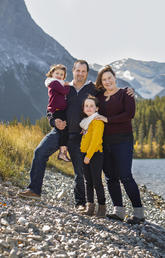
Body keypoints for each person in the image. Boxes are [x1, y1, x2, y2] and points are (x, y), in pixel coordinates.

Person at [19, 60, 134, 212]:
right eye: (77, 71)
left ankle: (80, 202)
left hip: (81, 136)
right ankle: (34, 190)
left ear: (87, 73)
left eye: (83, 71)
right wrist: (54, 120)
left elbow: (110, 91)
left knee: (80, 172)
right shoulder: (63, 87)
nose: (80, 74)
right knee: (39, 152)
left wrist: (128, 90)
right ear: (73, 71)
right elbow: (51, 108)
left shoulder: (93, 89)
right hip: (61, 132)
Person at [95, 65, 145, 224]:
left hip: (123, 140)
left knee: (125, 175)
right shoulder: (99, 96)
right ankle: (119, 211)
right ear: (101, 82)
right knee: (110, 177)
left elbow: (129, 114)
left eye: (110, 78)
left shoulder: (126, 94)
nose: (108, 81)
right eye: (104, 79)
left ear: (115, 78)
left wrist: (107, 119)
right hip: (104, 142)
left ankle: (139, 213)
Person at [80, 95, 106, 217]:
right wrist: (83, 153)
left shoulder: (97, 121)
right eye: (86, 106)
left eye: (92, 106)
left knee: (96, 182)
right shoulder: (85, 122)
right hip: (85, 154)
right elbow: (85, 139)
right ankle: (90, 206)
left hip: (94, 154)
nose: (89, 108)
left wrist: (88, 156)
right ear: (84, 108)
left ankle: (102, 208)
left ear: (96, 108)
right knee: (88, 181)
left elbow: (95, 141)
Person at [45, 64, 70, 162]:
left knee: (65, 130)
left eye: (62, 74)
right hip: (57, 111)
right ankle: (62, 153)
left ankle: (63, 152)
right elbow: (64, 92)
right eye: (57, 73)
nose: (59, 75)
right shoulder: (54, 82)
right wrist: (68, 86)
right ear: (52, 74)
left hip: (60, 110)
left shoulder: (58, 83)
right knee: (64, 130)